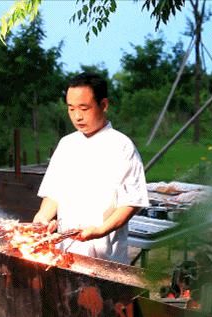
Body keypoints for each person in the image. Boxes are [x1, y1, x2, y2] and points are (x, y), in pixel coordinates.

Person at [33, 72, 149, 264]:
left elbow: (131, 202)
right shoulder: (66, 144)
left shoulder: (121, 146)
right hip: (66, 252)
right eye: (71, 109)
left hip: (105, 256)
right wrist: (42, 218)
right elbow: (54, 192)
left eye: (84, 108)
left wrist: (100, 230)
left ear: (104, 105)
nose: (77, 116)